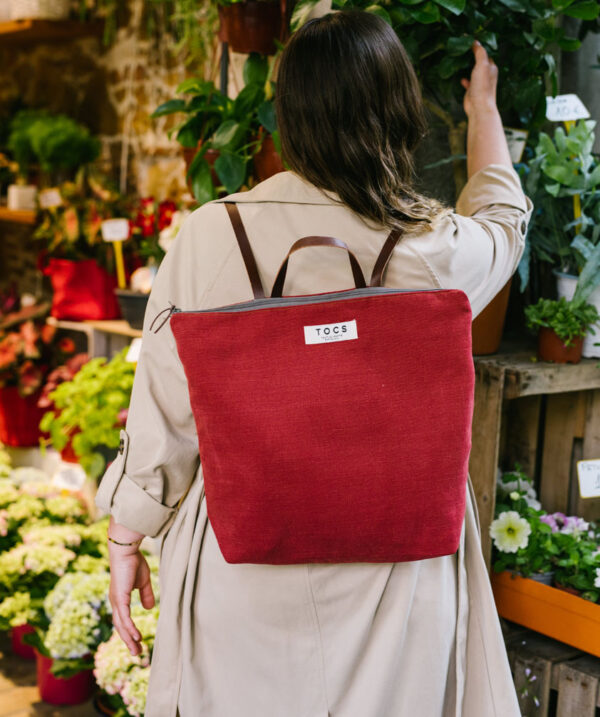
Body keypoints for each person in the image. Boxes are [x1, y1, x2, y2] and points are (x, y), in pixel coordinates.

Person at [96, 11, 532, 717]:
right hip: (399, 572)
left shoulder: (214, 234)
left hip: (245, 558)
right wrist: (482, 106)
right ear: (399, 111)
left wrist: (126, 537)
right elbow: (505, 221)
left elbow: (164, 415)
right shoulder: (432, 250)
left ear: (288, 112)